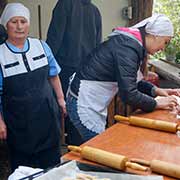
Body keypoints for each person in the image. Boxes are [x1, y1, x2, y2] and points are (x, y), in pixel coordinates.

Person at [66, 14, 180, 146]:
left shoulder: (131, 45)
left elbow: (132, 81)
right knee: (96, 150)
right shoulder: (127, 48)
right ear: (155, 35)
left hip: (89, 100)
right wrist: (157, 104)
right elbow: (128, 94)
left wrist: (157, 91)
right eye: (165, 42)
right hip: (83, 103)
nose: (163, 48)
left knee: (94, 149)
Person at [0, 3, 66, 172]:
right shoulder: (1, 54)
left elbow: (53, 75)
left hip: (47, 117)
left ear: (28, 24)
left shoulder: (41, 46)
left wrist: (60, 99)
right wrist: (0, 122)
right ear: (6, 25)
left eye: (23, 21)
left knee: (52, 166)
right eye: (14, 22)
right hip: (18, 122)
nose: (19, 26)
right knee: (24, 169)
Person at [46, 0, 102, 144]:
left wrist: (46, 66)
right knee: (81, 113)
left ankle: (68, 151)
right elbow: (97, 46)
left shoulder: (65, 4)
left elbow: (54, 39)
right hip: (86, 72)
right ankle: (80, 150)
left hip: (64, 69)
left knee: (63, 110)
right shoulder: (95, 11)